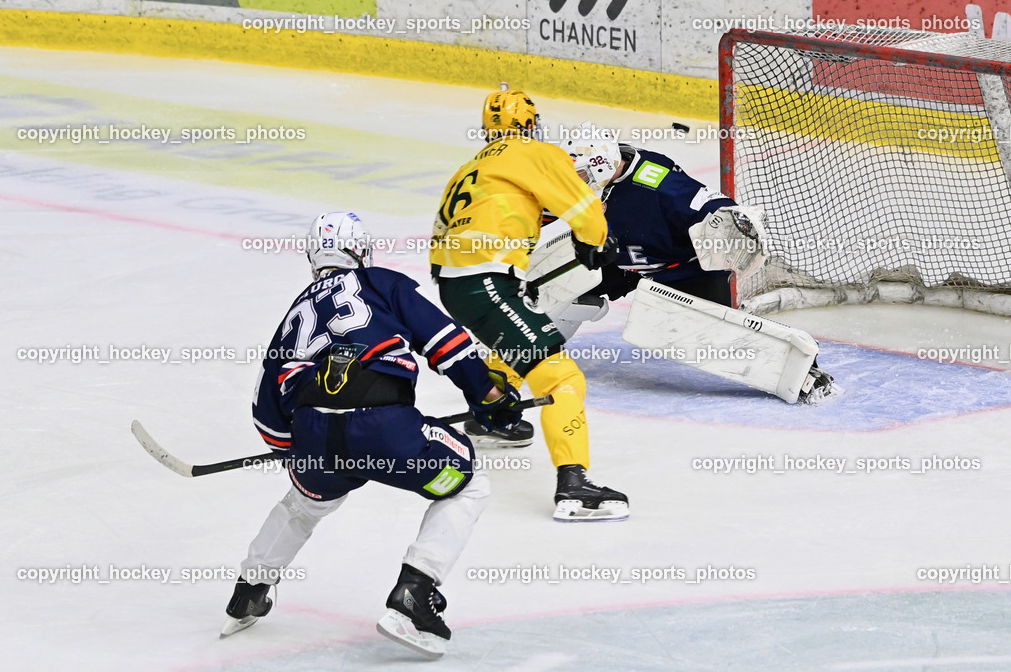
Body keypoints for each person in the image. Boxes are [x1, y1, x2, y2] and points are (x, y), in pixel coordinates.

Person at [222, 211, 522, 659]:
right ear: (361, 251)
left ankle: (249, 590)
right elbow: (447, 343)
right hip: (386, 432)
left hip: (315, 442)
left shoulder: (294, 313)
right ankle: (415, 593)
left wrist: (294, 452)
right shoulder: (382, 281)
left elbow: (267, 410)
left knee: (303, 503)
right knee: (467, 485)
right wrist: (490, 397)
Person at [429, 88, 630, 522]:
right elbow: (585, 208)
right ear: (530, 123)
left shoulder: (471, 167)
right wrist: (595, 242)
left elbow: (461, 226)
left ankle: (492, 416)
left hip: (455, 281)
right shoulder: (533, 151)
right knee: (562, 380)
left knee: (520, 340)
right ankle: (574, 486)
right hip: (484, 280)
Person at [553, 125, 837, 402]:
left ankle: (802, 373)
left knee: (716, 339)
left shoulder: (656, 184)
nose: (575, 181)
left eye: (580, 174)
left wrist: (731, 224)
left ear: (602, 165)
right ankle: (533, 344)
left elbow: (713, 207)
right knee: (561, 281)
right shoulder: (606, 173)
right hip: (623, 259)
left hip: (685, 271)